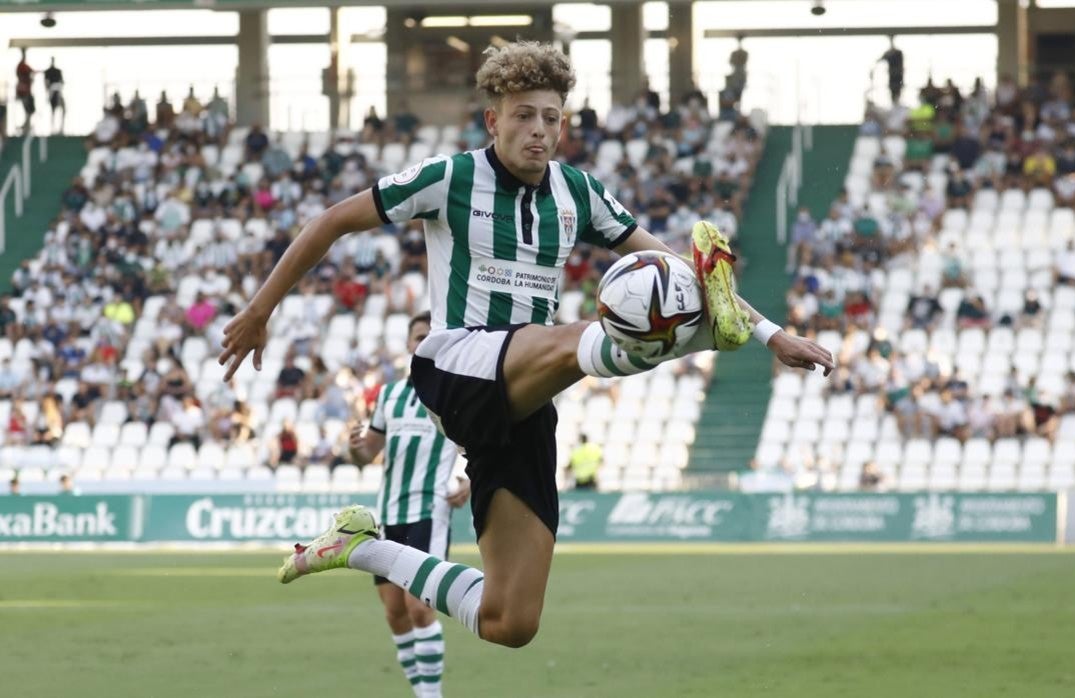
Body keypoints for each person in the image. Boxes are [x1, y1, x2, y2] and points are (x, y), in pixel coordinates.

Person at [218, 41, 832, 649]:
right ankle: (694, 340)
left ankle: (360, 547)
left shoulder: (578, 193)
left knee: (509, 621)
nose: (539, 131)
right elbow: (330, 220)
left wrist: (771, 334)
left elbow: (683, 269)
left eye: (551, 118)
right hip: (455, 365)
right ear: (494, 120)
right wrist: (259, 309)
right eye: (523, 116)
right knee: (594, 331)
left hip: (523, 397)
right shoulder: (450, 177)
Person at [345, 312, 470, 698]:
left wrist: (467, 480)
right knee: (395, 612)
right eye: (418, 336)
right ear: (408, 344)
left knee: (419, 608)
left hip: (428, 512)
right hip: (388, 514)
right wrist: (357, 450)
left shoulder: (456, 393)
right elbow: (370, 453)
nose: (423, 343)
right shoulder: (389, 395)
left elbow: (479, 450)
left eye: (429, 336)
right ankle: (422, 693)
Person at [879, 36, 904, 106]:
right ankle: (895, 103)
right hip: (893, 78)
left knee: (896, 91)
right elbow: (880, 59)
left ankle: (896, 102)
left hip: (897, 78)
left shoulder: (897, 53)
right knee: (894, 91)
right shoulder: (890, 53)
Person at [15, 48, 36, 131]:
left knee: (30, 110)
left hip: (27, 92)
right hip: (23, 93)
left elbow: (33, 72)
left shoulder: (25, 66)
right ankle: (25, 126)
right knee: (27, 109)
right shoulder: (21, 66)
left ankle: (26, 126)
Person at [44, 57, 64, 133]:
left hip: (58, 92)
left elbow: (62, 81)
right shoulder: (48, 71)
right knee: (53, 110)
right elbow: (46, 83)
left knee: (62, 109)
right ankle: (52, 128)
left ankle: (60, 128)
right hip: (52, 93)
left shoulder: (58, 71)